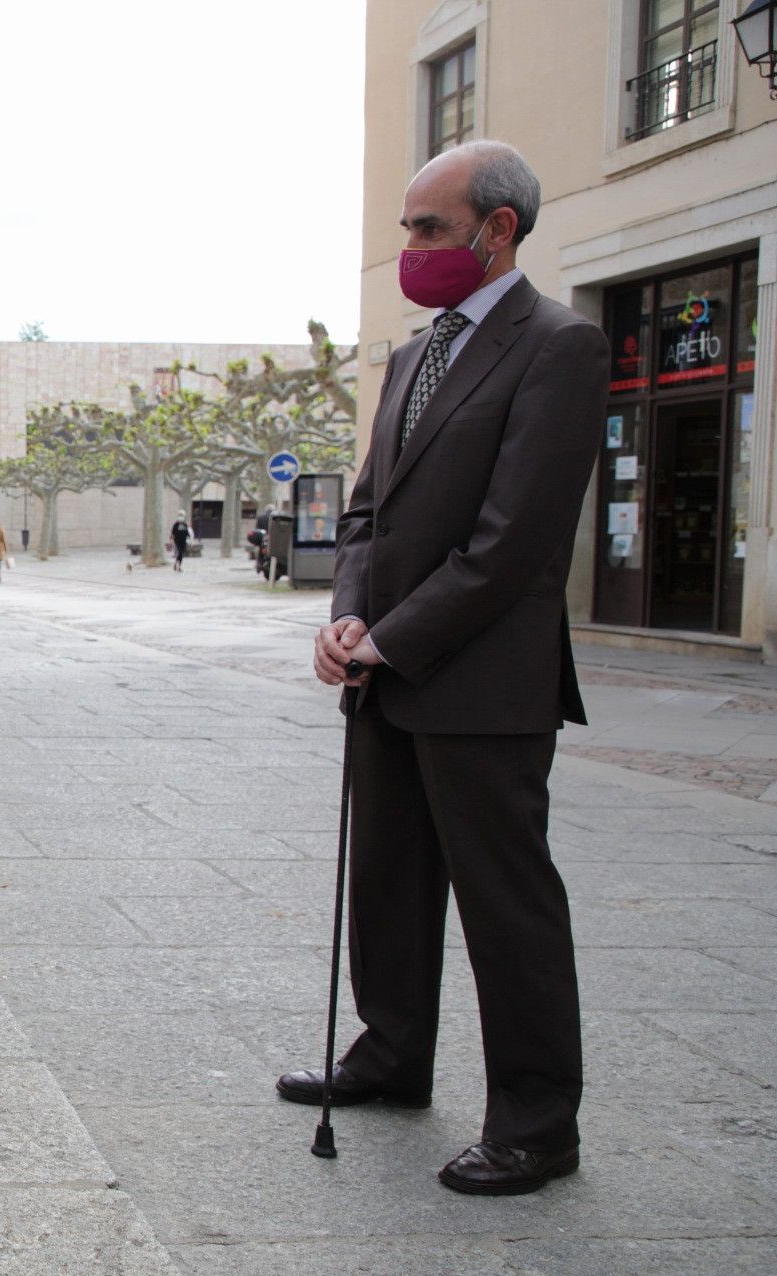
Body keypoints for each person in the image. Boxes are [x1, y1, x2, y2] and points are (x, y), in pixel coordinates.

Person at [280, 140, 606, 1196]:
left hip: (484, 685)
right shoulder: (417, 355)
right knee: (388, 881)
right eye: (408, 227)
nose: (411, 247)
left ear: (497, 228)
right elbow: (369, 509)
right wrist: (346, 616)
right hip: (387, 672)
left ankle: (536, 1117)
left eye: (429, 227)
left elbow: (513, 543)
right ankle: (391, 1053)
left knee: (506, 904)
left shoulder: (560, 345)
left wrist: (392, 635)